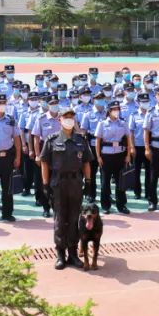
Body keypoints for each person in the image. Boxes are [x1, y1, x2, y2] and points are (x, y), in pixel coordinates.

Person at [40, 107, 93, 270]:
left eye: (71, 117)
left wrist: (89, 181)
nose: (69, 119)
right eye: (66, 117)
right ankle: (60, 254)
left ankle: (73, 253)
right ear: (60, 120)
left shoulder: (80, 139)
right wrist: (45, 184)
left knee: (74, 219)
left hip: (76, 183)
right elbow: (44, 162)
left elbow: (86, 162)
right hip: (58, 184)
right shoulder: (52, 139)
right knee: (60, 219)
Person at [95, 101, 132, 214]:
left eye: (118, 109)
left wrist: (128, 155)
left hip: (120, 155)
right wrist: (98, 157)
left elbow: (128, 139)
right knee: (105, 182)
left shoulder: (123, 123)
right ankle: (106, 206)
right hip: (106, 156)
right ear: (109, 111)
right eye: (114, 109)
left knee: (121, 182)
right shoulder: (102, 123)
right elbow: (98, 141)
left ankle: (121, 205)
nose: (116, 111)